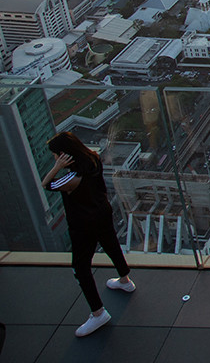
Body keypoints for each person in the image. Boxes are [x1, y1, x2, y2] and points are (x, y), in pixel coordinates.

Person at [42, 131, 135, 338]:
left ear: (65, 155)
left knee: (81, 268)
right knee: (111, 246)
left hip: (84, 224)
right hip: (102, 212)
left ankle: (98, 312)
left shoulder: (73, 178)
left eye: (56, 155)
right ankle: (125, 280)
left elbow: (47, 184)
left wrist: (56, 168)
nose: (55, 159)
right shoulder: (93, 158)